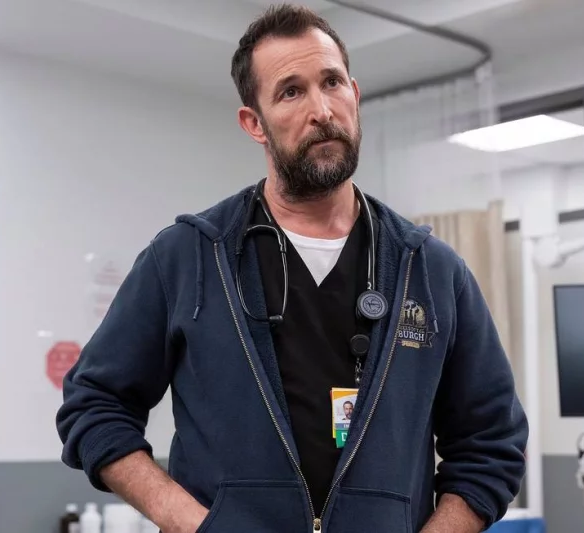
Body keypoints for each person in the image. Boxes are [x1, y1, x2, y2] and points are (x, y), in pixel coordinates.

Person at [56, 4, 528, 532]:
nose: (321, 109)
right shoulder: (189, 258)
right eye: (291, 92)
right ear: (254, 123)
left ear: (355, 95)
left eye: (332, 83)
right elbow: (94, 405)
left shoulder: (431, 271)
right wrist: (190, 522)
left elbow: (492, 443)